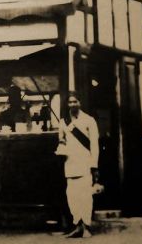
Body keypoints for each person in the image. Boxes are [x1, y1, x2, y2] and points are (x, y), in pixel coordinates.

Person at [56, 92, 99, 238]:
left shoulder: (89, 120)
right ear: (67, 104)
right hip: (70, 164)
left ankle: (87, 227)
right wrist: (61, 148)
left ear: (80, 103)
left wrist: (94, 165)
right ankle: (78, 226)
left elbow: (95, 145)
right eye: (70, 102)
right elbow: (61, 140)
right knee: (72, 196)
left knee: (86, 196)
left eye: (75, 102)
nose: (73, 104)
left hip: (85, 163)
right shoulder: (63, 122)